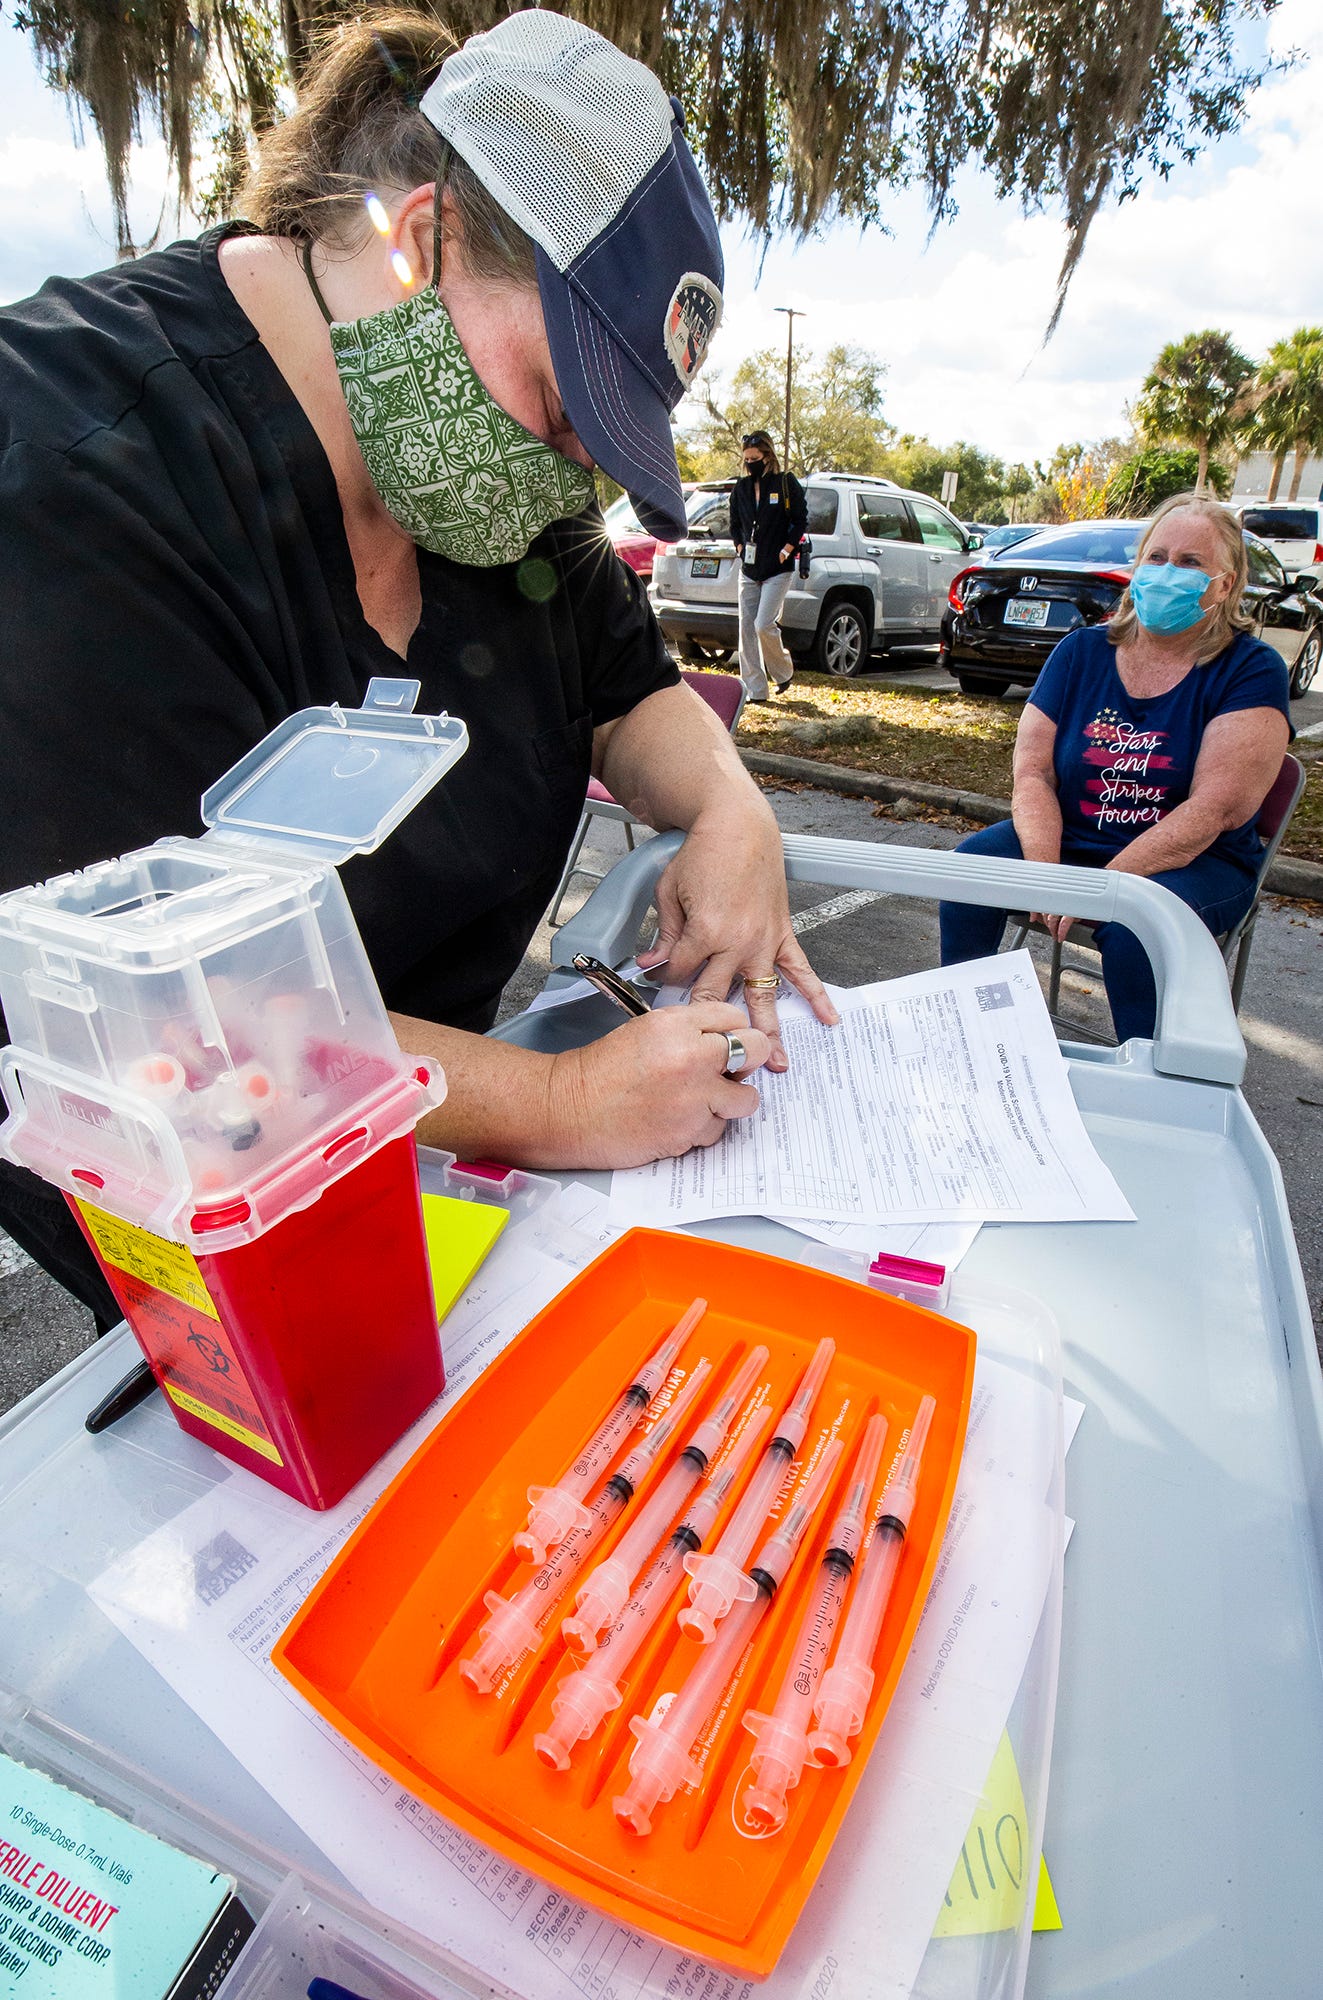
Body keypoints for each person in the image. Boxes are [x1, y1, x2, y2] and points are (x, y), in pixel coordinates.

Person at [0, 9, 837, 1332]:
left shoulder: (482, 488)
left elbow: (627, 694)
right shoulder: (66, 458)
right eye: (562, 414)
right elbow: (179, 1014)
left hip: (433, 1188)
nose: (568, 484)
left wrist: (731, 813)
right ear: (418, 234)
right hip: (195, 1208)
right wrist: (563, 1102)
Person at [939, 493, 1292, 1042]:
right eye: (1156, 557)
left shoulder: (1250, 669)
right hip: (1072, 842)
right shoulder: (1082, 651)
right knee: (972, 872)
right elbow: (1033, 774)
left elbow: (1217, 809)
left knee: (1138, 931)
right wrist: (1047, 876)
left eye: (1190, 563)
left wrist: (1103, 891)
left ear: (1224, 586)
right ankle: (964, 1037)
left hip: (1195, 861)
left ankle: (1148, 1083)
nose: (1167, 572)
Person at [731, 430, 808, 701]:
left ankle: (783, 671)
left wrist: (787, 549)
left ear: (767, 456)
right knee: (746, 628)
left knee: (764, 624)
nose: (750, 462)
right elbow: (735, 524)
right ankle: (755, 689)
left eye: (755, 458)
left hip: (777, 567)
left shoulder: (784, 483)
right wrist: (739, 547)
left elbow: (801, 520)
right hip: (749, 568)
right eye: (747, 458)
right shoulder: (740, 489)